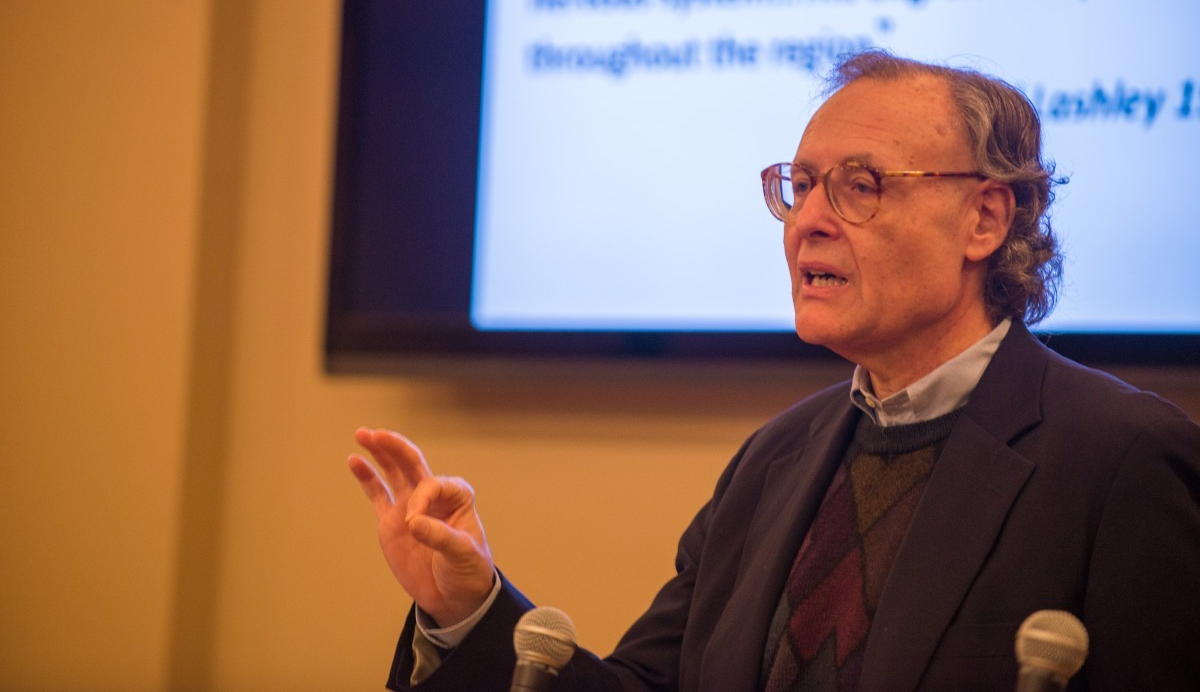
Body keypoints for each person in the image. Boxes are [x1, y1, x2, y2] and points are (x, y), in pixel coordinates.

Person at [348, 50, 1200, 692]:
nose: (809, 222)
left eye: (860, 185)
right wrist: (468, 608)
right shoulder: (774, 460)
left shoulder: (1122, 459)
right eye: (801, 186)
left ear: (984, 218)